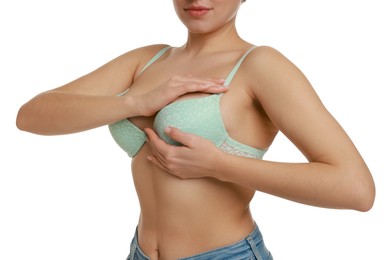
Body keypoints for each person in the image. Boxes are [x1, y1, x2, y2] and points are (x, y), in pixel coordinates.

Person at [16, 0, 375, 259]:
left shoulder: (261, 66)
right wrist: (136, 103)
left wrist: (219, 165)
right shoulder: (149, 59)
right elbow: (31, 116)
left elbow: (355, 189)